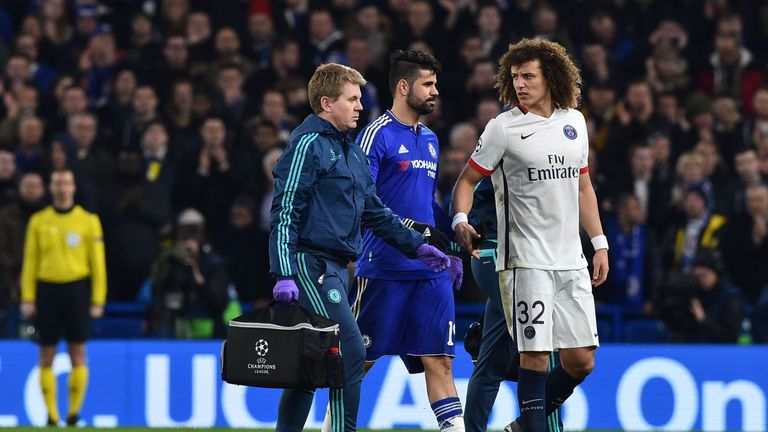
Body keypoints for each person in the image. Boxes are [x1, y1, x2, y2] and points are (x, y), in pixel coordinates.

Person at [269, 63, 452, 432]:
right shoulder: (308, 145)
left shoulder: (349, 151)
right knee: (350, 351)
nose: (359, 106)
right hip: (310, 263)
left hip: (335, 264)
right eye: (351, 99)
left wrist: (418, 247)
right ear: (326, 103)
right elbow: (286, 208)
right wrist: (284, 272)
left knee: (308, 365)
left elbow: (375, 211)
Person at [451, 38, 609, 432]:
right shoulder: (503, 128)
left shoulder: (575, 122)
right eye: (515, 77)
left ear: (551, 77)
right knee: (534, 358)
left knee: (581, 360)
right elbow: (467, 180)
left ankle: (522, 426)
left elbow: (583, 186)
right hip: (524, 261)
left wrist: (599, 243)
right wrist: (460, 218)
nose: (520, 84)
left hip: (571, 260)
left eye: (529, 76)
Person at [323, 49, 464, 432]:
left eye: (436, 84)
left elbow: (428, 203)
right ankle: (331, 428)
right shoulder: (375, 135)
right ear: (403, 87)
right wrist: (420, 234)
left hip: (429, 271)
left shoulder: (432, 139)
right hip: (384, 267)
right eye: (427, 84)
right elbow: (365, 202)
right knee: (359, 361)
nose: (435, 91)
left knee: (440, 360)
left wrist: (450, 243)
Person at [463, 176, 562, 432]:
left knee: (491, 361)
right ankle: (547, 429)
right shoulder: (511, 148)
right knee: (541, 344)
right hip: (499, 254)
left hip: (507, 256)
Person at [19, 169, 107, 426]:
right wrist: (27, 296)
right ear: (51, 187)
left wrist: (98, 299)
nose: (62, 188)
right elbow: (30, 262)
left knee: (77, 353)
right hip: (47, 290)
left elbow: (98, 264)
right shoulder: (39, 220)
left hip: (77, 290)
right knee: (46, 354)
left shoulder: (88, 220)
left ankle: (73, 413)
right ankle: (52, 414)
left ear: (73, 188)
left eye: (66, 183)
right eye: (57, 183)